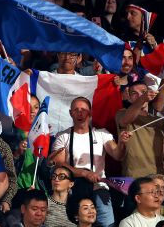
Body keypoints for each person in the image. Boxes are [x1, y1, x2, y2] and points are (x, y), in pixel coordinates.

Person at [51, 96, 130, 227]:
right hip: (72, 188)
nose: (80, 113)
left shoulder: (102, 134)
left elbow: (118, 155)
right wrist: (84, 173)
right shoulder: (63, 136)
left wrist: (122, 143)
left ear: (90, 113)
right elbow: (59, 164)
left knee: (107, 224)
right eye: (76, 110)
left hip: (99, 188)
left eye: (84, 109)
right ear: (71, 113)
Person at [116, 82, 164, 183]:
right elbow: (125, 120)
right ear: (129, 98)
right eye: (134, 93)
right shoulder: (121, 113)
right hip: (135, 180)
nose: (140, 95)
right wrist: (142, 98)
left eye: (143, 92)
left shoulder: (159, 121)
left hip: (159, 178)